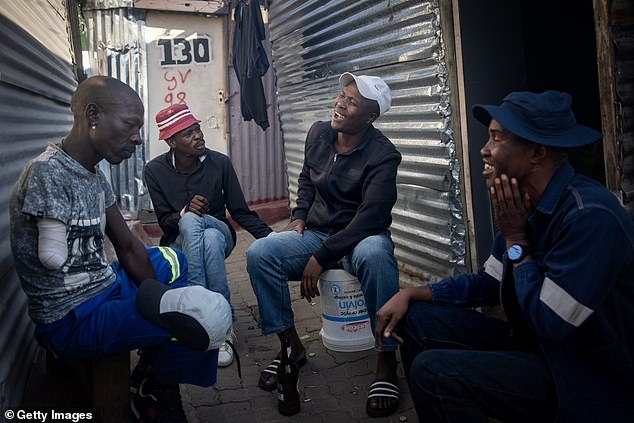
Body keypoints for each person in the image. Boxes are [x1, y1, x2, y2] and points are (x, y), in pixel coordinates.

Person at [375, 90, 634, 422]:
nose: (484, 149)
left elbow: (550, 322)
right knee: (415, 318)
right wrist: (411, 293)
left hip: (581, 375)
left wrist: (516, 238)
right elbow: (489, 280)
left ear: (538, 152)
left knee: (435, 373)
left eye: (496, 137)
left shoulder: (591, 217)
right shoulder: (525, 203)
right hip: (535, 347)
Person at [9, 76, 232, 423]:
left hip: (104, 285)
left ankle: (152, 380)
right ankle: (159, 393)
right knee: (202, 319)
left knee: (175, 261)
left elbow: (128, 246)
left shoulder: (93, 174)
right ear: (93, 115)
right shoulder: (45, 173)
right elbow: (51, 258)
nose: (138, 138)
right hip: (73, 316)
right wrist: (170, 305)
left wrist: (160, 296)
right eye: (130, 126)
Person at [247, 72, 403, 417]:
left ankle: (386, 359)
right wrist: (299, 214)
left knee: (377, 254)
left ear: (370, 117)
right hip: (316, 232)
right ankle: (290, 347)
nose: (340, 103)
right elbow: (306, 179)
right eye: (342, 95)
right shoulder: (319, 133)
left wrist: (322, 256)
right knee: (260, 253)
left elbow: (371, 218)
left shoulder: (383, 155)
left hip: (359, 237)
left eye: (352, 102)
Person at [144, 103, 273, 367]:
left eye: (197, 129)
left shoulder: (219, 163)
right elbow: (165, 223)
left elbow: (240, 211)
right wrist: (182, 213)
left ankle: (197, 305)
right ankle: (222, 325)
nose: (198, 136)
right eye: (188, 133)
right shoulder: (154, 171)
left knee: (209, 232)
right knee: (201, 233)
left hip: (220, 230)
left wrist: (271, 238)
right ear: (171, 141)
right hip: (180, 241)